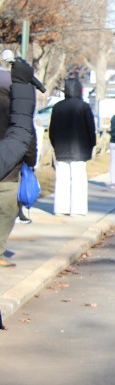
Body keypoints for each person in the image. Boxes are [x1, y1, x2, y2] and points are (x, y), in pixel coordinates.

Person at [0, 66, 38, 267]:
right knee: (6, 212)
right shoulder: (17, 111)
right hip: (10, 172)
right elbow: (27, 137)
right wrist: (31, 162)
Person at [49, 74, 96, 216]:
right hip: (80, 149)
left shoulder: (57, 107)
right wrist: (91, 144)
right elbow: (90, 129)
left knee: (61, 180)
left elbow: (52, 130)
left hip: (61, 148)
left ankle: (60, 208)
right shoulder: (84, 107)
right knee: (78, 179)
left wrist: (55, 145)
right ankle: (78, 209)